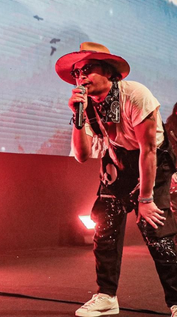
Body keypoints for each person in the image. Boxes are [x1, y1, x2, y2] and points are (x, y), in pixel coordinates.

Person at [55, 42, 177, 317]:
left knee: (156, 229)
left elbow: (147, 150)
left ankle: (176, 300)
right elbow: (83, 156)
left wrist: (145, 200)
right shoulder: (86, 106)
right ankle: (106, 296)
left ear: (109, 72)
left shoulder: (135, 94)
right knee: (104, 224)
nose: (80, 77)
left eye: (87, 69)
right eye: (76, 73)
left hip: (153, 158)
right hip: (118, 159)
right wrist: (76, 117)